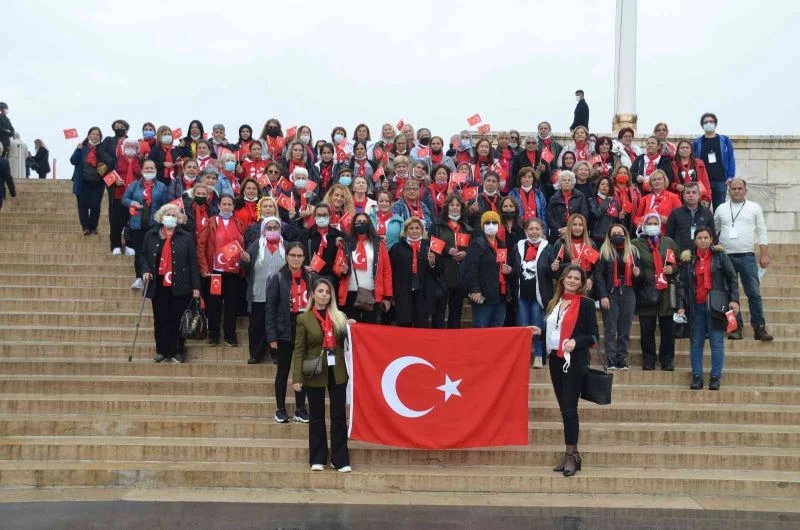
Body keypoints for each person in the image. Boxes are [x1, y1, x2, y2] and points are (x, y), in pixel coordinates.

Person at [292, 277, 352, 472]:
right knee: (316, 416)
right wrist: (297, 378)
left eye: (327, 292)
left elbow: (347, 339)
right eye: (320, 291)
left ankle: (340, 459)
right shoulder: (304, 318)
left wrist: (351, 325)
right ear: (313, 294)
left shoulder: (339, 317)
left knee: (338, 416)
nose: (324, 295)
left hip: (337, 371)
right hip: (315, 371)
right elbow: (299, 349)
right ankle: (317, 458)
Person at [546, 264, 598, 477]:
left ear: (582, 283)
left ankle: (570, 455)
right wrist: (539, 330)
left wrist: (576, 341)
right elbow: (554, 330)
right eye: (570, 277)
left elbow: (594, 336)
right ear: (563, 279)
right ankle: (574, 454)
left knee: (569, 408)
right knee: (564, 408)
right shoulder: (555, 302)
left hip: (574, 362)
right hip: (555, 360)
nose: (573, 281)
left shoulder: (586, 304)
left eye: (577, 278)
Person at [676, 227, 740, 390]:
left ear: (712, 239)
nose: (703, 240)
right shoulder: (688, 259)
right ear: (695, 240)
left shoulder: (720, 256)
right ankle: (697, 377)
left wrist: (734, 300)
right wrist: (681, 305)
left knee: (717, 343)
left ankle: (715, 377)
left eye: (706, 237)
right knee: (696, 343)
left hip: (717, 306)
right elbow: (682, 284)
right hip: (695, 306)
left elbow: (732, 278)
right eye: (699, 238)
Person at [140, 203, 201, 363]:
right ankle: (161, 350)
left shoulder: (186, 237)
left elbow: (193, 263)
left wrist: (196, 287)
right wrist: (145, 270)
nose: (171, 217)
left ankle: (177, 351)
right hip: (158, 284)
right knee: (160, 318)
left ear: (179, 218)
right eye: (168, 214)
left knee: (178, 319)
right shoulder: (151, 235)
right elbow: (143, 257)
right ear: (161, 216)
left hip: (180, 284)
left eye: (174, 215)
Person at [714, 178, 773, 341]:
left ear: (746, 190)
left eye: (740, 188)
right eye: (733, 188)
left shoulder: (754, 208)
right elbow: (714, 230)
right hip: (725, 257)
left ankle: (759, 327)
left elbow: (762, 231)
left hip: (747, 256)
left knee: (753, 293)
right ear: (729, 190)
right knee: (728, 294)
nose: (737, 191)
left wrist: (764, 254)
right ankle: (734, 327)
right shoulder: (721, 208)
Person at [266, 242, 312, 423]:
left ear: (304, 258)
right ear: (287, 257)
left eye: (300, 256)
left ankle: (300, 409)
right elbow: (269, 309)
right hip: (284, 329)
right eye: (293, 255)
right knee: (283, 371)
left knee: (302, 371)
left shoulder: (310, 278)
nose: (296, 259)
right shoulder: (278, 278)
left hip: (304, 329)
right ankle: (280, 408)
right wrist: (272, 336)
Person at [632, 213, 680, 370]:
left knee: (667, 330)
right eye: (649, 223)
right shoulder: (636, 244)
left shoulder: (669, 242)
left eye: (655, 223)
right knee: (647, 330)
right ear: (644, 225)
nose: (652, 225)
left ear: (660, 225)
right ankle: (649, 360)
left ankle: (667, 360)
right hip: (646, 291)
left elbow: (679, 262)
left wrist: (672, 269)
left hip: (666, 292)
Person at [197, 194, 246, 347]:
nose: (226, 207)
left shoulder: (238, 222)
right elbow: (201, 246)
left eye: (229, 204)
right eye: (224, 204)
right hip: (216, 272)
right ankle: (214, 335)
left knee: (231, 305)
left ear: (233, 206)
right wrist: (204, 267)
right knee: (214, 305)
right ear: (218, 206)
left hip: (233, 272)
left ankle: (230, 335)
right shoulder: (211, 222)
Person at [594, 224, 641, 370]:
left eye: (619, 233)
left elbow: (641, 277)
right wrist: (603, 296)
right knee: (610, 328)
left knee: (625, 329)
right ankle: (611, 358)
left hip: (628, 291)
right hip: (610, 292)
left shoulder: (633, 252)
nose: (617, 235)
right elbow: (599, 276)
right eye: (613, 233)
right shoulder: (604, 252)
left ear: (625, 234)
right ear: (609, 236)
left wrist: (638, 274)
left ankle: (622, 358)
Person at [240, 217, 286, 364]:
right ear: (263, 230)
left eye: (275, 228)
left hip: (279, 296)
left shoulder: (288, 246)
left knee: (278, 325)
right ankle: (255, 354)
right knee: (256, 326)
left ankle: (277, 354)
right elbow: (245, 269)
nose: (272, 231)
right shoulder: (255, 246)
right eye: (269, 228)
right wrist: (244, 261)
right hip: (258, 293)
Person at [511, 218, 555, 368]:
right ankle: (522, 356)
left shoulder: (548, 248)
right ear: (525, 231)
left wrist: (554, 268)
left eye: (537, 229)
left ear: (542, 231)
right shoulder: (518, 247)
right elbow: (513, 269)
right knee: (522, 326)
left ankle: (538, 355)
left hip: (539, 296)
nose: (534, 231)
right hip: (521, 294)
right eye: (531, 229)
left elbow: (551, 273)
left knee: (537, 325)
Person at [462, 211, 514, 328]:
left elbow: (507, 265)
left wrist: (510, 270)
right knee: (481, 330)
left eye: (494, 222)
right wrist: (475, 290)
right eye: (487, 223)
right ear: (482, 226)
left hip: (500, 294)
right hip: (483, 296)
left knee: (497, 329)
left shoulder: (502, 244)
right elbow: (471, 268)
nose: (491, 225)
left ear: (499, 225)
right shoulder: (477, 244)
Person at [122, 159, 168, 289]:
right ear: (142, 171)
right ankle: (139, 277)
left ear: (155, 170)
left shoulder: (162, 187)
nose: (149, 170)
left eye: (151, 168)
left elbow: (165, 206)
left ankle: (154, 277)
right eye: (146, 168)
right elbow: (124, 199)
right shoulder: (134, 185)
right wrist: (132, 203)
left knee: (154, 252)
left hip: (154, 225)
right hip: (137, 225)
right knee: (139, 252)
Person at [341, 213, 393, 323]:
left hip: (372, 292)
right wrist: (342, 270)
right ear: (353, 225)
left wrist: (387, 297)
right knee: (352, 328)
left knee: (370, 329)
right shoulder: (346, 243)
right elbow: (337, 266)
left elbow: (386, 271)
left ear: (369, 224)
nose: (361, 224)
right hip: (351, 292)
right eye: (358, 222)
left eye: (364, 221)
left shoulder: (378, 243)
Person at [389, 217, 440, 327]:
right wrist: (391, 294)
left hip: (423, 294)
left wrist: (433, 264)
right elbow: (390, 271)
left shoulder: (430, 247)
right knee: (404, 326)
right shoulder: (397, 248)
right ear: (406, 231)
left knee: (421, 326)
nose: (414, 230)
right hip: (403, 293)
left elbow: (440, 271)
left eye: (417, 228)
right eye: (411, 228)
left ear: (422, 230)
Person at [429, 194, 471, 329]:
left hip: (459, 276)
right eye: (452, 205)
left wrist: (466, 253)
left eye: (457, 205)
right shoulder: (437, 225)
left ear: (461, 208)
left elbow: (472, 248)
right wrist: (447, 250)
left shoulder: (465, 227)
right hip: (442, 275)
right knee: (439, 314)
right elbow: (430, 244)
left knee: (455, 314)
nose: (454, 208)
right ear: (446, 207)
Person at [71, 127, 114, 236]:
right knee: (82, 205)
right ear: (89, 135)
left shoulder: (102, 149)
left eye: (97, 135)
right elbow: (73, 161)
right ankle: (85, 227)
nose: (95, 136)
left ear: (100, 137)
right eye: (93, 134)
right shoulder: (83, 147)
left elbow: (110, 161)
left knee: (95, 206)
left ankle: (93, 227)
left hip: (97, 182)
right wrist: (78, 149)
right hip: (83, 181)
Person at [693, 113, 736, 211]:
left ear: (715, 124)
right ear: (702, 125)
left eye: (711, 121)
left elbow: (731, 159)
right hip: (702, 182)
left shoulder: (724, 141)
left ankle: (717, 227)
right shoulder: (697, 143)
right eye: (706, 122)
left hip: (720, 181)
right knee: (703, 210)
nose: (708, 124)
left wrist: (730, 176)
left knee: (719, 210)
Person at [110, 138, 141, 255]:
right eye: (127, 146)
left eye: (133, 146)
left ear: (137, 149)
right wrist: (115, 182)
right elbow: (107, 174)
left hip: (135, 197)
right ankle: (115, 245)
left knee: (132, 221)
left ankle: (130, 245)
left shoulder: (140, 161)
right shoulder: (116, 160)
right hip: (119, 195)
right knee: (117, 222)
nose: (130, 148)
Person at [665, 182, 715, 252]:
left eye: (694, 192)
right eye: (688, 193)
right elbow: (669, 238)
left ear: (699, 195)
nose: (691, 195)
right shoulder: (675, 213)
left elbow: (713, 237)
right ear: (683, 196)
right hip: (681, 256)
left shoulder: (707, 213)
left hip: (702, 255)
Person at [632, 170, 682, 234]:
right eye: (654, 180)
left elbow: (681, 216)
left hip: (667, 235)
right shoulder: (644, 199)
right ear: (650, 183)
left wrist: (669, 220)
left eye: (659, 179)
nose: (657, 181)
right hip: (647, 235)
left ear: (664, 181)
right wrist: (643, 222)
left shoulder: (674, 197)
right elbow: (636, 218)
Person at [547, 171, 589, 243]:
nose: (567, 182)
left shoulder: (580, 196)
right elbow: (550, 217)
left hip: (576, 231)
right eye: (564, 180)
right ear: (560, 183)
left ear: (573, 183)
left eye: (569, 180)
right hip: (558, 234)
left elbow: (584, 214)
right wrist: (559, 230)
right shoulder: (553, 198)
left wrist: (570, 228)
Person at [671, 140, 711, 206]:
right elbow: (668, 183)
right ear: (678, 150)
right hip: (679, 199)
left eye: (687, 147)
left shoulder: (699, 163)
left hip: (698, 198)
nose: (685, 149)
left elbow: (705, 182)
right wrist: (676, 186)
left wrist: (706, 198)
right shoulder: (672, 164)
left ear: (691, 150)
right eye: (682, 148)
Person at [509, 166, 548, 232]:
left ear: (533, 179)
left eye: (529, 177)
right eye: (524, 177)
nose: (527, 179)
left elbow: (543, 214)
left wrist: (544, 232)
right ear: (520, 179)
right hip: (519, 230)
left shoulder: (539, 194)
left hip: (536, 230)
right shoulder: (513, 194)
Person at [588, 175, 622, 248]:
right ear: (598, 186)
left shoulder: (615, 202)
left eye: (607, 185)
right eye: (602, 184)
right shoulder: (592, 201)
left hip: (611, 237)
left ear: (610, 188)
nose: (604, 186)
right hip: (596, 238)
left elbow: (617, 221)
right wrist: (607, 201)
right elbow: (597, 214)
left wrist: (621, 217)